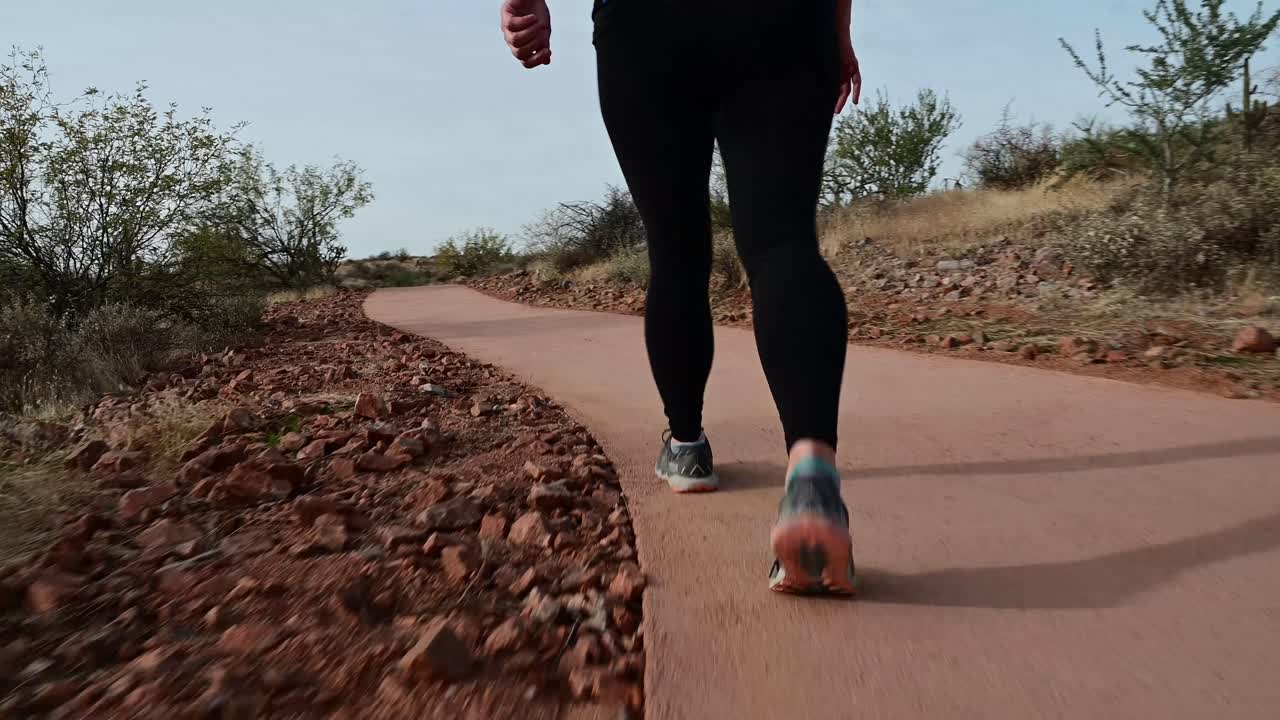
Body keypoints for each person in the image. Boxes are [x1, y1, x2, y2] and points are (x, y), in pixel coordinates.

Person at [499, 0, 862, 596]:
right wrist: (837, 28)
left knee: (676, 250)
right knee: (781, 240)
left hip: (648, 29)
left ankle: (687, 445)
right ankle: (813, 478)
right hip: (787, 22)